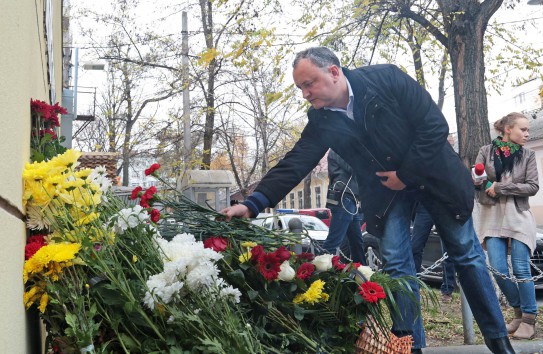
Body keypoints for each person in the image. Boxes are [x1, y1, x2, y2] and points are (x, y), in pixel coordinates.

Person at [221, 47, 513, 353]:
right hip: (386, 194)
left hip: (435, 177)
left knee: (466, 255)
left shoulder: (385, 79)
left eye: (310, 84)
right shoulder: (322, 120)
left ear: (334, 72)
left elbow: (433, 126)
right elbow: (298, 160)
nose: (305, 94)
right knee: (398, 266)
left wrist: (406, 174)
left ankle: (498, 341)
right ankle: (407, 346)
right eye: (300, 88)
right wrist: (253, 203)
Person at [473, 112, 539, 340]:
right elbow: (478, 178)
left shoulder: (528, 155)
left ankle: (529, 320)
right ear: (507, 130)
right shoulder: (486, 151)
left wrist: (500, 188)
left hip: (518, 216)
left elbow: (532, 187)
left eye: (528, 130)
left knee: (521, 268)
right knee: (499, 269)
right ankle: (519, 312)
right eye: (523, 129)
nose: (527, 134)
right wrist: (478, 180)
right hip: (492, 215)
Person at [324, 149, 365, 264]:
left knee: (356, 241)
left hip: (349, 198)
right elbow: (353, 167)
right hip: (344, 198)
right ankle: (320, 273)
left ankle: (363, 273)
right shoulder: (339, 148)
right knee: (334, 241)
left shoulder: (341, 148)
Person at [410, 202, 457, 303]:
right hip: (424, 204)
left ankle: (447, 290)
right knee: (415, 247)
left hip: (444, 204)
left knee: (447, 250)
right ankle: (413, 287)